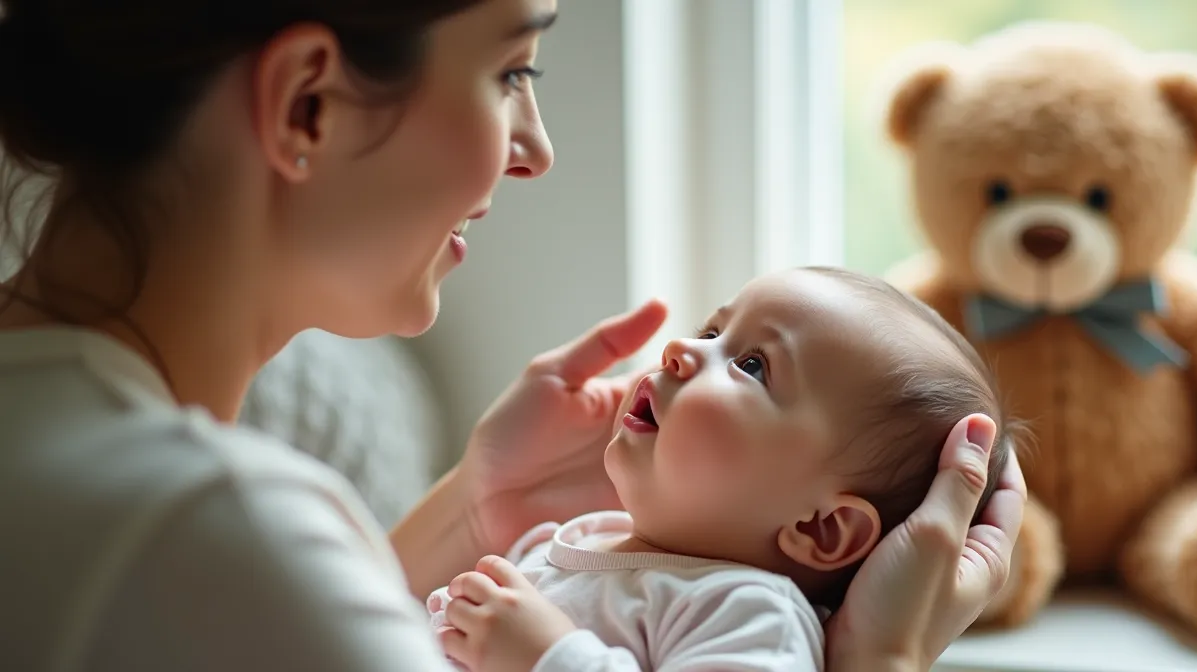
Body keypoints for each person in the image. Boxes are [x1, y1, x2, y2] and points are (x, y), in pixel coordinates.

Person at [0, 0, 1026, 670]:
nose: (533, 150)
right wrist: (878, 664)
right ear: (307, 103)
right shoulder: (201, 530)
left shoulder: (102, 476)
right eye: (510, 71)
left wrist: (477, 509)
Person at [426, 267, 1015, 671]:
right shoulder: (565, 544)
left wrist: (549, 658)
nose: (680, 348)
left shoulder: (750, 612)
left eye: (753, 365)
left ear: (821, 528)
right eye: (712, 330)